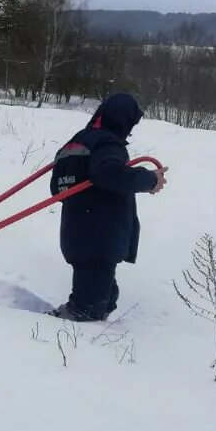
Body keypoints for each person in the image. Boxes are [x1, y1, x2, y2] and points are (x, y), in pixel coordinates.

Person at [47, 92, 167, 322]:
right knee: (89, 305)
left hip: (79, 233)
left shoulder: (78, 140)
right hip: (100, 236)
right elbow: (109, 173)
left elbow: (57, 188)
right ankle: (65, 331)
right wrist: (150, 180)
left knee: (106, 295)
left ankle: (86, 317)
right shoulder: (107, 143)